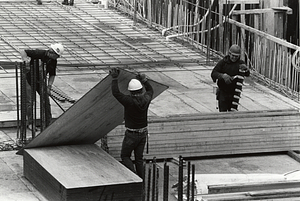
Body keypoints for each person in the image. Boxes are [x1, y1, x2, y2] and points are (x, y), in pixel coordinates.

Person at [110, 68, 153, 179]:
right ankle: (141, 180)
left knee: (125, 156)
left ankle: (134, 177)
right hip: (143, 133)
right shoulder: (146, 99)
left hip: (131, 135)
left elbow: (116, 93)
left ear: (130, 91)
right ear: (141, 89)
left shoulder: (128, 101)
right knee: (139, 158)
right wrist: (144, 80)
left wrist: (115, 78)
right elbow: (150, 91)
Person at [20, 43, 64, 130]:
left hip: (40, 80)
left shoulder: (53, 61)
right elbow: (23, 51)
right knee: (30, 102)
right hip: (29, 79)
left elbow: (52, 75)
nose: (57, 58)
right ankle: (30, 123)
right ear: (51, 52)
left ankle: (48, 122)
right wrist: (25, 60)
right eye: (57, 56)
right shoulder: (39, 53)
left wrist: (49, 87)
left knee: (46, 100)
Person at [211, 44, 250, 112]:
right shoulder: (223, 63)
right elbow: (214, 73)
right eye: (233, 56)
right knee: (223, 113)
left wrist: (246, 69)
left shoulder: (241, 63)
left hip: (234, 93)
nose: (234, 58)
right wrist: (222, 76)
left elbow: (247, 74)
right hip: (223, 92)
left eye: (236, 56)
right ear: (229, 54)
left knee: (233, 113)